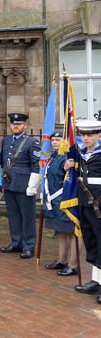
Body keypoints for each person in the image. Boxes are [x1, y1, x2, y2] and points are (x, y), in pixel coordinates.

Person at [0, 112, 41, 259]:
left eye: (18, 124)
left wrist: (33, 185)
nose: (15, 126)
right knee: (13, 215)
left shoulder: (32, 142)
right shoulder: (6, 140)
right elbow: (2, 160)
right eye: (13, 124)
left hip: (24, 184)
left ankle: (28, 245)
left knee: (27, 216)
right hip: (10, 183)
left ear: (25, 125)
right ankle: (16, 242)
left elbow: (36, 165)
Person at [68, 120, 101, 303]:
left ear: (99, 135)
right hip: (85, 205)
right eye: (83, 135)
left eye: (90, 135)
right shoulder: (81, 155)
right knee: (92, 242)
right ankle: (97, 280)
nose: (86, 138)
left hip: (99, 207)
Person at [43, 130, 78, 275]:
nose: (55, 142)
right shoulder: (53, 157)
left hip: (64, 201)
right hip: (54, 201)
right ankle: (61, 260)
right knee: (61, 233)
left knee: (71, 234)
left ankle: (73, 265)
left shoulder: (65, 158)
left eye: (58, 140)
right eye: (53, 140)